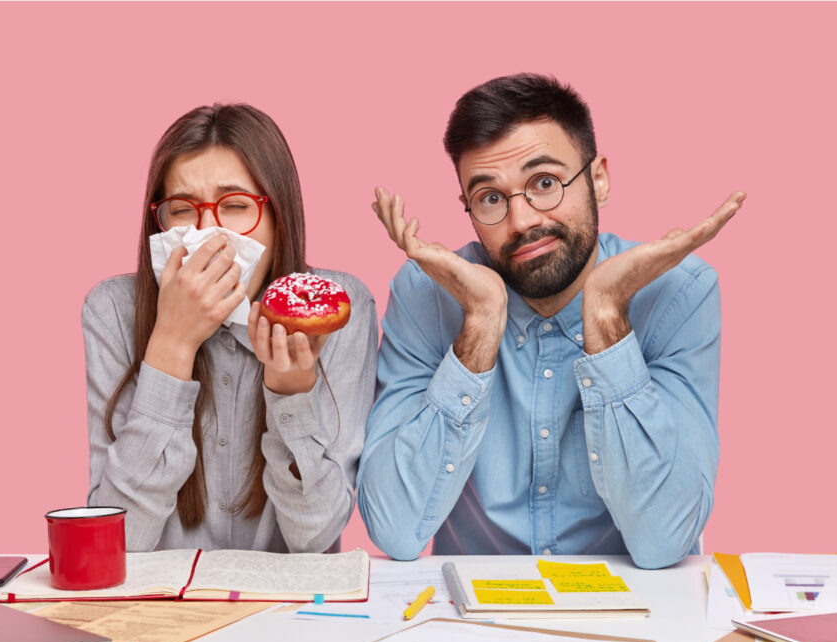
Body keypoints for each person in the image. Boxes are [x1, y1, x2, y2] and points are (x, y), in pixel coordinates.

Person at [357, 74, 745, 569]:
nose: (521, 222)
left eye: (544, 183)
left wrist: (605, 313)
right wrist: (480, 321)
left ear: (598, 179)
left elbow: (663, 541)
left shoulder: (678, 291)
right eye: (491, 198)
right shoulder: (427, 293)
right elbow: (394, 528)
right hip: (474, 622)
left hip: (643, 618)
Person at [83, 104, 377, 552]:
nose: (209, 234)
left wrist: (290, 393)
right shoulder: (113, 310)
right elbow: (116, 544)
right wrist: (172, 344)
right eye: (182, 210)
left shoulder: (333, 309)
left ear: (280, 219)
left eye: (236, 206)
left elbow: (315, 536)